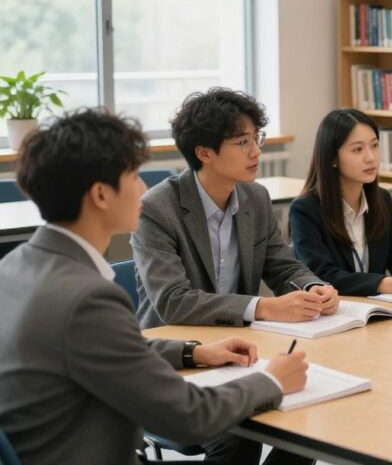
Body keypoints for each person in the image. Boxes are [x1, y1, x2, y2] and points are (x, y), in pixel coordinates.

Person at [0, 109, 309, 465]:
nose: (144, 189)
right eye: (133, 175)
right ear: (101, 194)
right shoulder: (87, 298)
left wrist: (194, 352)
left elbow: (99, 347)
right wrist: (271, 381)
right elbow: (190, 416)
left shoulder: (16, 266)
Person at [132, 88, 338, 464]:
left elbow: (281, 264)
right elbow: (172, 301)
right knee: (236, 436)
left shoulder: (255, 198)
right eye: (242, 142)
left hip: (240, 353)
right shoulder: (158, 209)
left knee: (310, 420)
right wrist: (265, 307)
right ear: (204, 152)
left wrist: (314, 287)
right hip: (177, 360)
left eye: (255, 138)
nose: (256, 152)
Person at [290, 108, 392, 296]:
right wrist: (384, 284)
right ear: (333, 159)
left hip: (378, 311)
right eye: (358, 149)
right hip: (333, 314)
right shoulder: (305, 209)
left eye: (375, 145)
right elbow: (322, 275)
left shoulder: (381, 199)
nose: (371, 157)